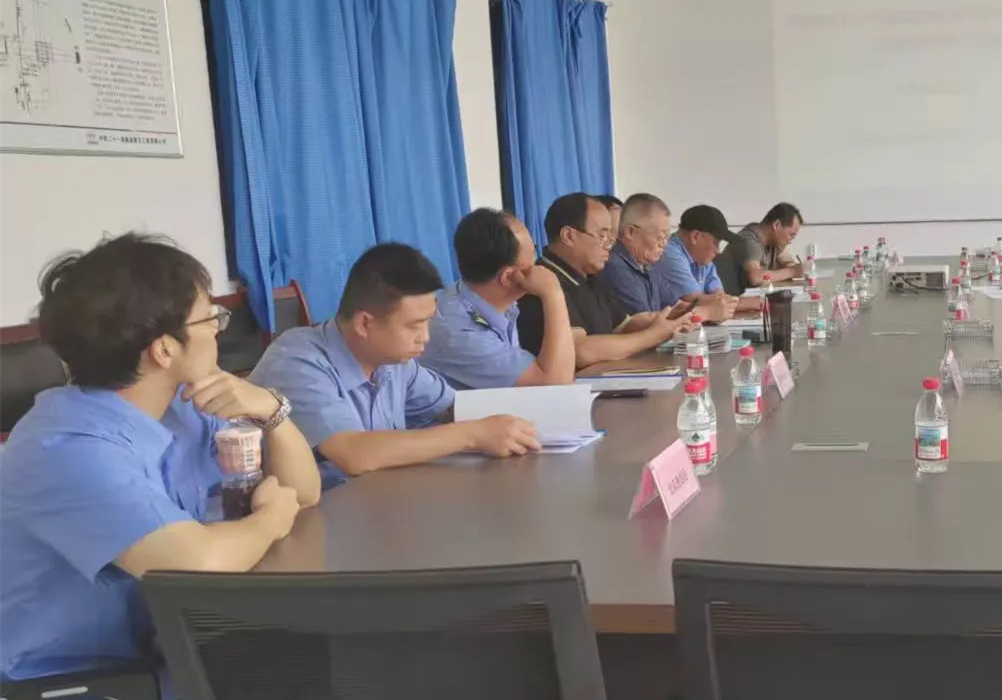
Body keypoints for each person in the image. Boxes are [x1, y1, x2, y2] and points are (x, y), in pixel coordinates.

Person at [0, 234, 319, 700]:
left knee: (323, 669)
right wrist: (270, 520)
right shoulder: (65, 448)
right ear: (164, 349)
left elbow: (304, 490)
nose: (218, 328)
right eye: (209, 317)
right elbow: (195, 561)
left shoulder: (178, 412)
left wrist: (268, 409)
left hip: (154, 670)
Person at [249, 243, 541, 487]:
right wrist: (474, 434)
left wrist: (527, 424)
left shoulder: (394, 363)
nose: (425, 337)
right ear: (365, 323)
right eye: (414, 325)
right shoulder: (297, 361)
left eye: (428, 322)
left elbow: (453, 406)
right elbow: (353, 453)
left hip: (378, 508)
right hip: (305, 525)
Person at [526, 192, 690, 367]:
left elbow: (624, 326)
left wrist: (668, 320)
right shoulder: (544, 281)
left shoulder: (590, 277)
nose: (610, 245)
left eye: (612, 237)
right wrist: (652, 336)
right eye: (602, 235)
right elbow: (580, 350)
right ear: (568, 236)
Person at [419, 208, 577, 390]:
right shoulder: (457, 330)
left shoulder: (489, 301)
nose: (538, 266)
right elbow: (556, 385)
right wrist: (553, 294)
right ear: (509, 277)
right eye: (532, 257)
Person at [600, 194, 737, 322]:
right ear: (630, 232)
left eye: (667, 237)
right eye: (660, 236)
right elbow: (642, 322)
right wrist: (706, 313)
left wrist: (713, 307)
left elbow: (677, 307)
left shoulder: (648, 266)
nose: (664, 244)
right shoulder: (615, 267)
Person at [655, 204, 758, 315]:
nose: (718, 251)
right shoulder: (669, 253)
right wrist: (756, 302)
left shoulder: (700, 256)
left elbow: (719, 296)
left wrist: (723, 302)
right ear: (695, 236)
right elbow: (694, 301)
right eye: (715, 243)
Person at [715, 202, 807, 291]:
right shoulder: (749, 241)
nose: (790, 241)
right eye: (791, 235)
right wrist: (792, 271)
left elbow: (787, 263)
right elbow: (755, 278)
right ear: (777, 225)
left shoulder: (773, 241)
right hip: (727, 297)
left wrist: (794, 268)